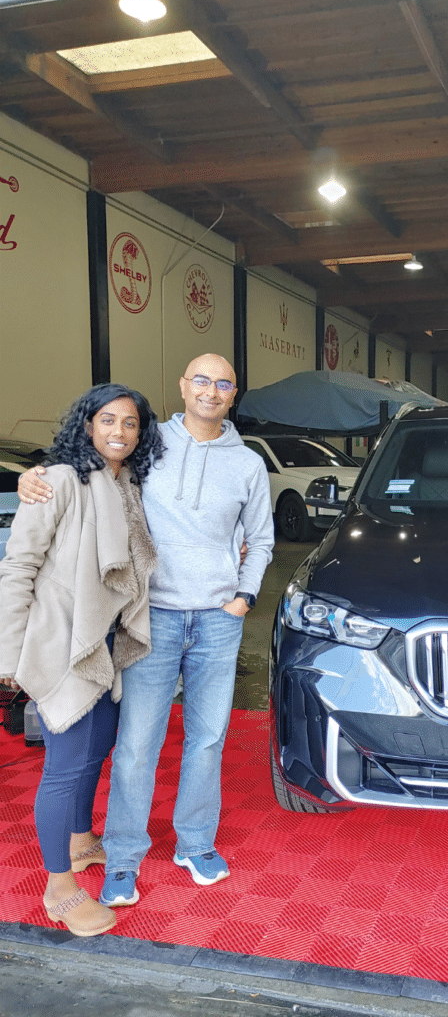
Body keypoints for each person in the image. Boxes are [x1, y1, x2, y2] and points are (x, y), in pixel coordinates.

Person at [18, 354, 275, 909]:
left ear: (234, 394)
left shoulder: (248, 464)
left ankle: (195, 843)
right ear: (183, 387)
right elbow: (89, 468)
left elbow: (263, 539)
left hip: (217, 619)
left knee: (208, 738)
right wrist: (32, 477)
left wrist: (242, 597)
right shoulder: (147, 443)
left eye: (223, 383)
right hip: (148, 618)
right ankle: (125, 854)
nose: (211, 391)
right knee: (137, 742)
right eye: (200, 380)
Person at [0, 384, 162, 936]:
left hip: (106, 647)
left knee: (96, 749)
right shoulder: (58, 481)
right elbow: (18, 567)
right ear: (87, 425)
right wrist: (8, 652)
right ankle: (59, 887)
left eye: (131, 423)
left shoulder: (128, 486)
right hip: (61, 643)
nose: (119, 431)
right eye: (108, 420)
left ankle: (79, 840)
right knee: (65, 767)